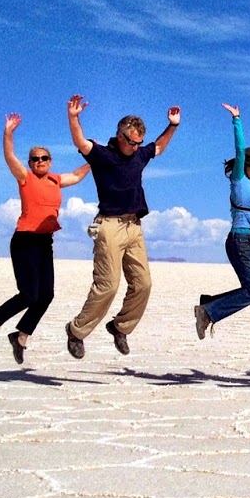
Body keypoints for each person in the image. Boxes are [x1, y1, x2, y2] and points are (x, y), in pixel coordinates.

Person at [62, 95, 180, 359]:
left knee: (143, 284)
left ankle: (120, 326)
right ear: (120, 135)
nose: (136, 147)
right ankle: (76, 331)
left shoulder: (139, 155)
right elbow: (81, 142)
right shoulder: (104, 155)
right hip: (110, 227)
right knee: (108, 286)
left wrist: (172, 126)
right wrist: (73, 117)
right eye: (131, 141)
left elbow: (158, 147)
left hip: (134, 227)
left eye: (139, 142)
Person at [0, 114, 92, 364]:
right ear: (30, 163)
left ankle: (21, 336)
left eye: (44, 158)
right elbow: (10, 157)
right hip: (24, 241)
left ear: (50, 161)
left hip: (44, 243)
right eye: (35, 159)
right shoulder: (25, 178)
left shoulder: (56, 180)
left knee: (46, 295)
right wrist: (8, 133)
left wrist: (95, 159)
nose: (39, 161)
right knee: (28, 294)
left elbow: (78, 175)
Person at [194, 104, 250, 339]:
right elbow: (240, 151)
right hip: (239, 240)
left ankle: (208, 305)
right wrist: (237, 120)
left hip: (248, 240)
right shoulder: (239, 180)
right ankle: (208, 311)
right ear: (244, 167)